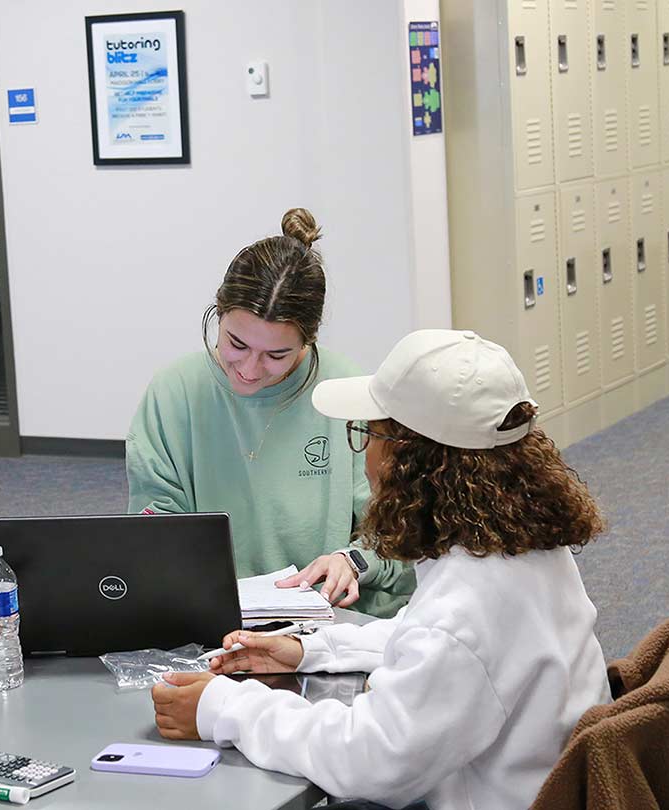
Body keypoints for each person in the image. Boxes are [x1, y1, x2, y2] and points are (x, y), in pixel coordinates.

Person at [150, 329, 611, 810]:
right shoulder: (520, 549)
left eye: (366, 432)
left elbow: (367, 762)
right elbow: (427, 638)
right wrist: (308, 650)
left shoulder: (465, 610)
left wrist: (222, 708)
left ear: (408, 457)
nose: (364, 453)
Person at [126, 208, 412, 615]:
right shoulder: (174, 393)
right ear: (218, 315)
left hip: (329, 617)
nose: (248, 370)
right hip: (209, 613)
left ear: (307, 342)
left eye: (276, 355)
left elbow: (398, 533)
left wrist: (351, 562)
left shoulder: (347, 395)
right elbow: (152, 527)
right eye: (236, 344)